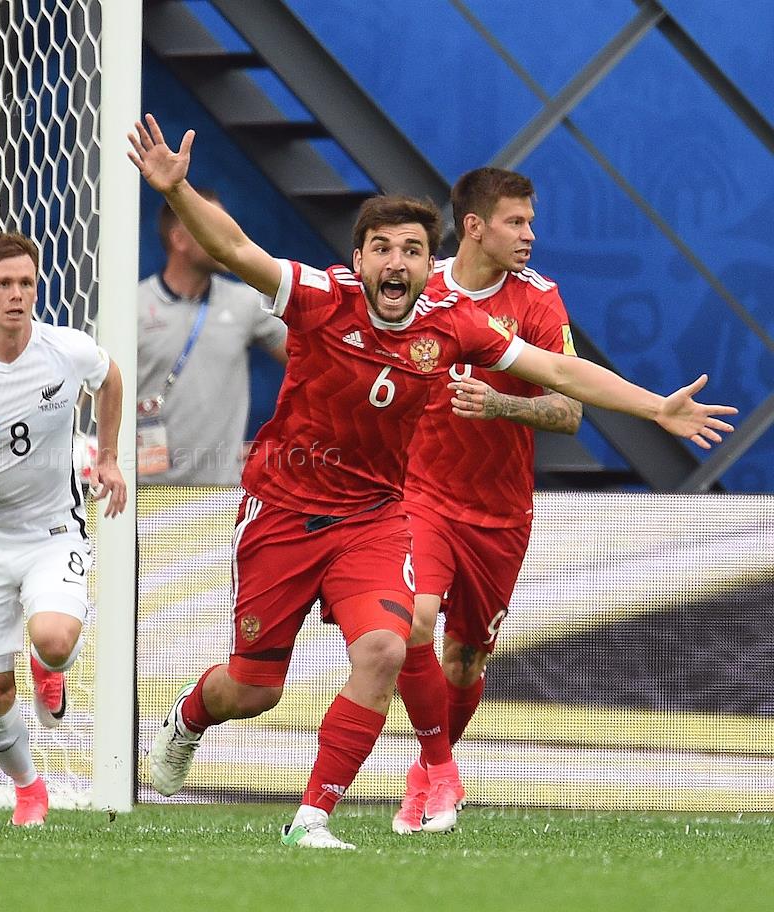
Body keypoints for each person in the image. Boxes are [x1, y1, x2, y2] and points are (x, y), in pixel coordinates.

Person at [128, 113, 734, 849]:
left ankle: (311, 818)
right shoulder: (321, 297)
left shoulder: (454, 324)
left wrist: (654, 406)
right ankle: (189, 718)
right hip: (283, 509)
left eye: (412, 250)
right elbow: (233, 247)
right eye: (382, 248)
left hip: (374, 517)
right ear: (359, 258)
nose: (397, 262)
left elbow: (559, 371)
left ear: (428, 266)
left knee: (387, 647)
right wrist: (178, 190)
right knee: (254, 689)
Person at [393, 168, 582, 835]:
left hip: (500, 513)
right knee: (414, 622)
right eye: (515, 222)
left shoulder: (539, 300)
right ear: (474, 226)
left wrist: (503, 404)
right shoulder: (421, 289)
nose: (530, 235)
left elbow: (569, 412)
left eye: (531, 222)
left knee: (466, 659)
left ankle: (426, 773)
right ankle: (441, 770)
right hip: (421, 495)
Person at [0, 232, 126, 827]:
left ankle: (48, 667)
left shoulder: (66, 350)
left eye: (26, 283)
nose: (16, 295)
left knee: (54, 639)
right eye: (3, 284)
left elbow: (110, 378)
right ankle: (30, 789)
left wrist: (109, 458)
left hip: (52, 532)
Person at [137, 193, 287, 484]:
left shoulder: (245, 303)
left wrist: (283, 440)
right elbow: (92, 393)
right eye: (212, 227)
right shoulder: (132, 308)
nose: (225, 238)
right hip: (146, 493)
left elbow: (312, 364)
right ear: (179, 239)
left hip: (221, 495)